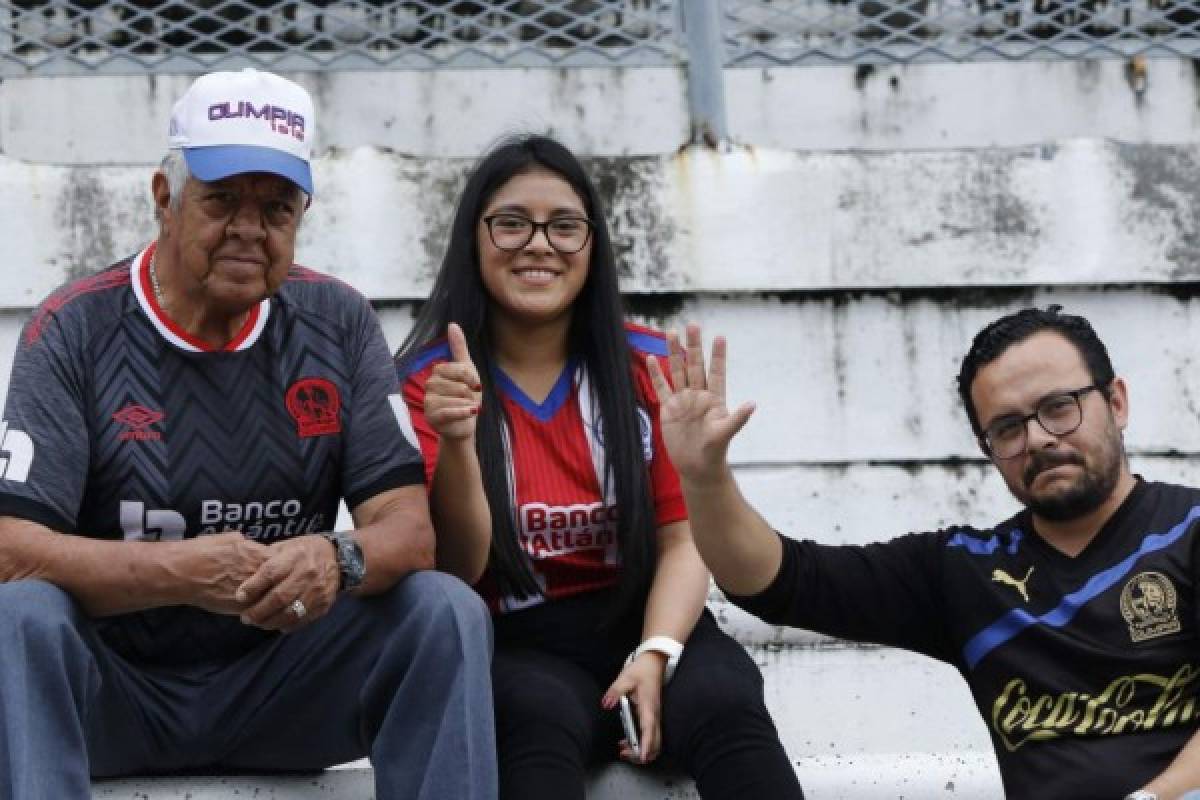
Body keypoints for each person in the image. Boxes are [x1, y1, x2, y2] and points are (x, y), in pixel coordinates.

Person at [0, 68, 495, 799]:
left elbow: (409, 533)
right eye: (222, 199)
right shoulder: (74, 327)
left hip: (285, 691)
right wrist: (186, 572)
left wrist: (336, 558)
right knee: (20, 615)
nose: (248, 229)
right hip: (114, 697)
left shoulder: (338, 321)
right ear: (165, 199)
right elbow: (13, 551)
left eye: (275, 208)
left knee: (444, 611)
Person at [646, 307, 1200, 800]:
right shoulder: (966, 571)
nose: (1038, 439)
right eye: (1007, 427)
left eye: (1059, 408)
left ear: (1117, 402)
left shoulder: (1189, 529)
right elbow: (774, 581)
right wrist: (703, 477)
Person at [394, 134, 803, 800]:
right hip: (516, 642)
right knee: (533, 723)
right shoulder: (426, 381)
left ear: (593, 246)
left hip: (649, 618)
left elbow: (682, 542)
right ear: (473, 237)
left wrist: (657, 653)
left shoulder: (650, 363)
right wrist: (459, 441)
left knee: (727, 704)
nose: (538, 244)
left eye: (564, 226)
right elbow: (456, 571)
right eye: (511, 223)